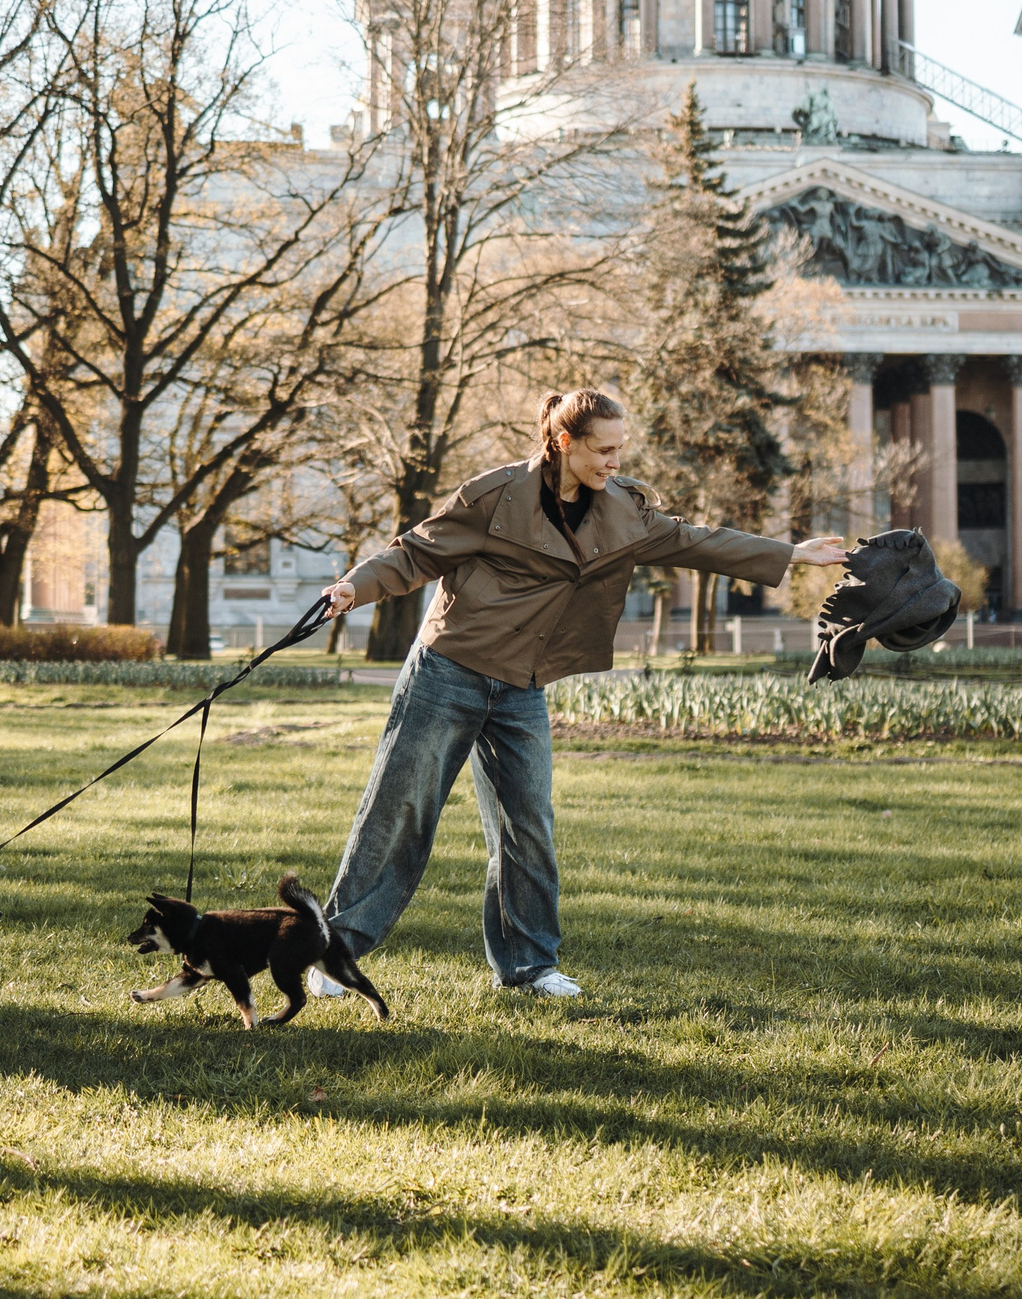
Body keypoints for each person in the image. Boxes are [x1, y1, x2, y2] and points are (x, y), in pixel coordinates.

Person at [310, 389, 849, 998]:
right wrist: (355, 587)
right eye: (603, 449)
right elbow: (416, 552)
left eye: (620, 449)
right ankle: (333, 955)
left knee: (528, 825)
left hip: (523, 683)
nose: (614, 462)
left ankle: (529, 966)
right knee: (400, 811)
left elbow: (697, 541)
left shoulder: (624, 510)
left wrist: (792, 553)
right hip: (450, 668)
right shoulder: (494, 496)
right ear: (564, 442)